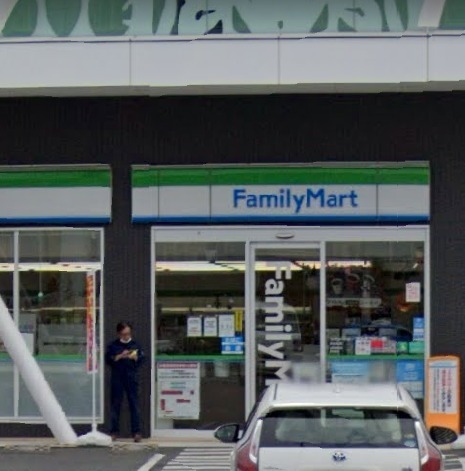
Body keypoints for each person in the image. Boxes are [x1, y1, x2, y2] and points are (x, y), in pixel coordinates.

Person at [105, 321, 144, 442]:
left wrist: (135, 357)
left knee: (134, 404)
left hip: (131, 377)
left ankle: (136, 432)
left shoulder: (135, 344)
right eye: (124, 334)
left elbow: (142, 359)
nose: (126, 336)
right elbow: (108, 360)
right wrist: (120, 356)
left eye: (128, 333)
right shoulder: (113, 345)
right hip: (117, 377)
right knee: (115, 405)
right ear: (119, 334)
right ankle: (114, 432)